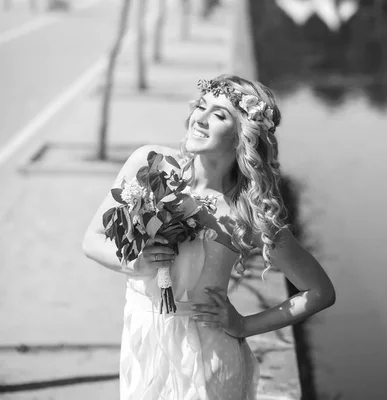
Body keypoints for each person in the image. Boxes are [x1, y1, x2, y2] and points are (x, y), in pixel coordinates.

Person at [82, 74, 336, 399]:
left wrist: (245, 325)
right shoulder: (151, 164)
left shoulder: (248, 212)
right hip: (142, 341)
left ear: (242, 136)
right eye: (201, 106)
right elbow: (92, 239)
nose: (199, 118)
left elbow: (320, 291)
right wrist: (135, 261)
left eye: (218, 115)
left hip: (210, 359)